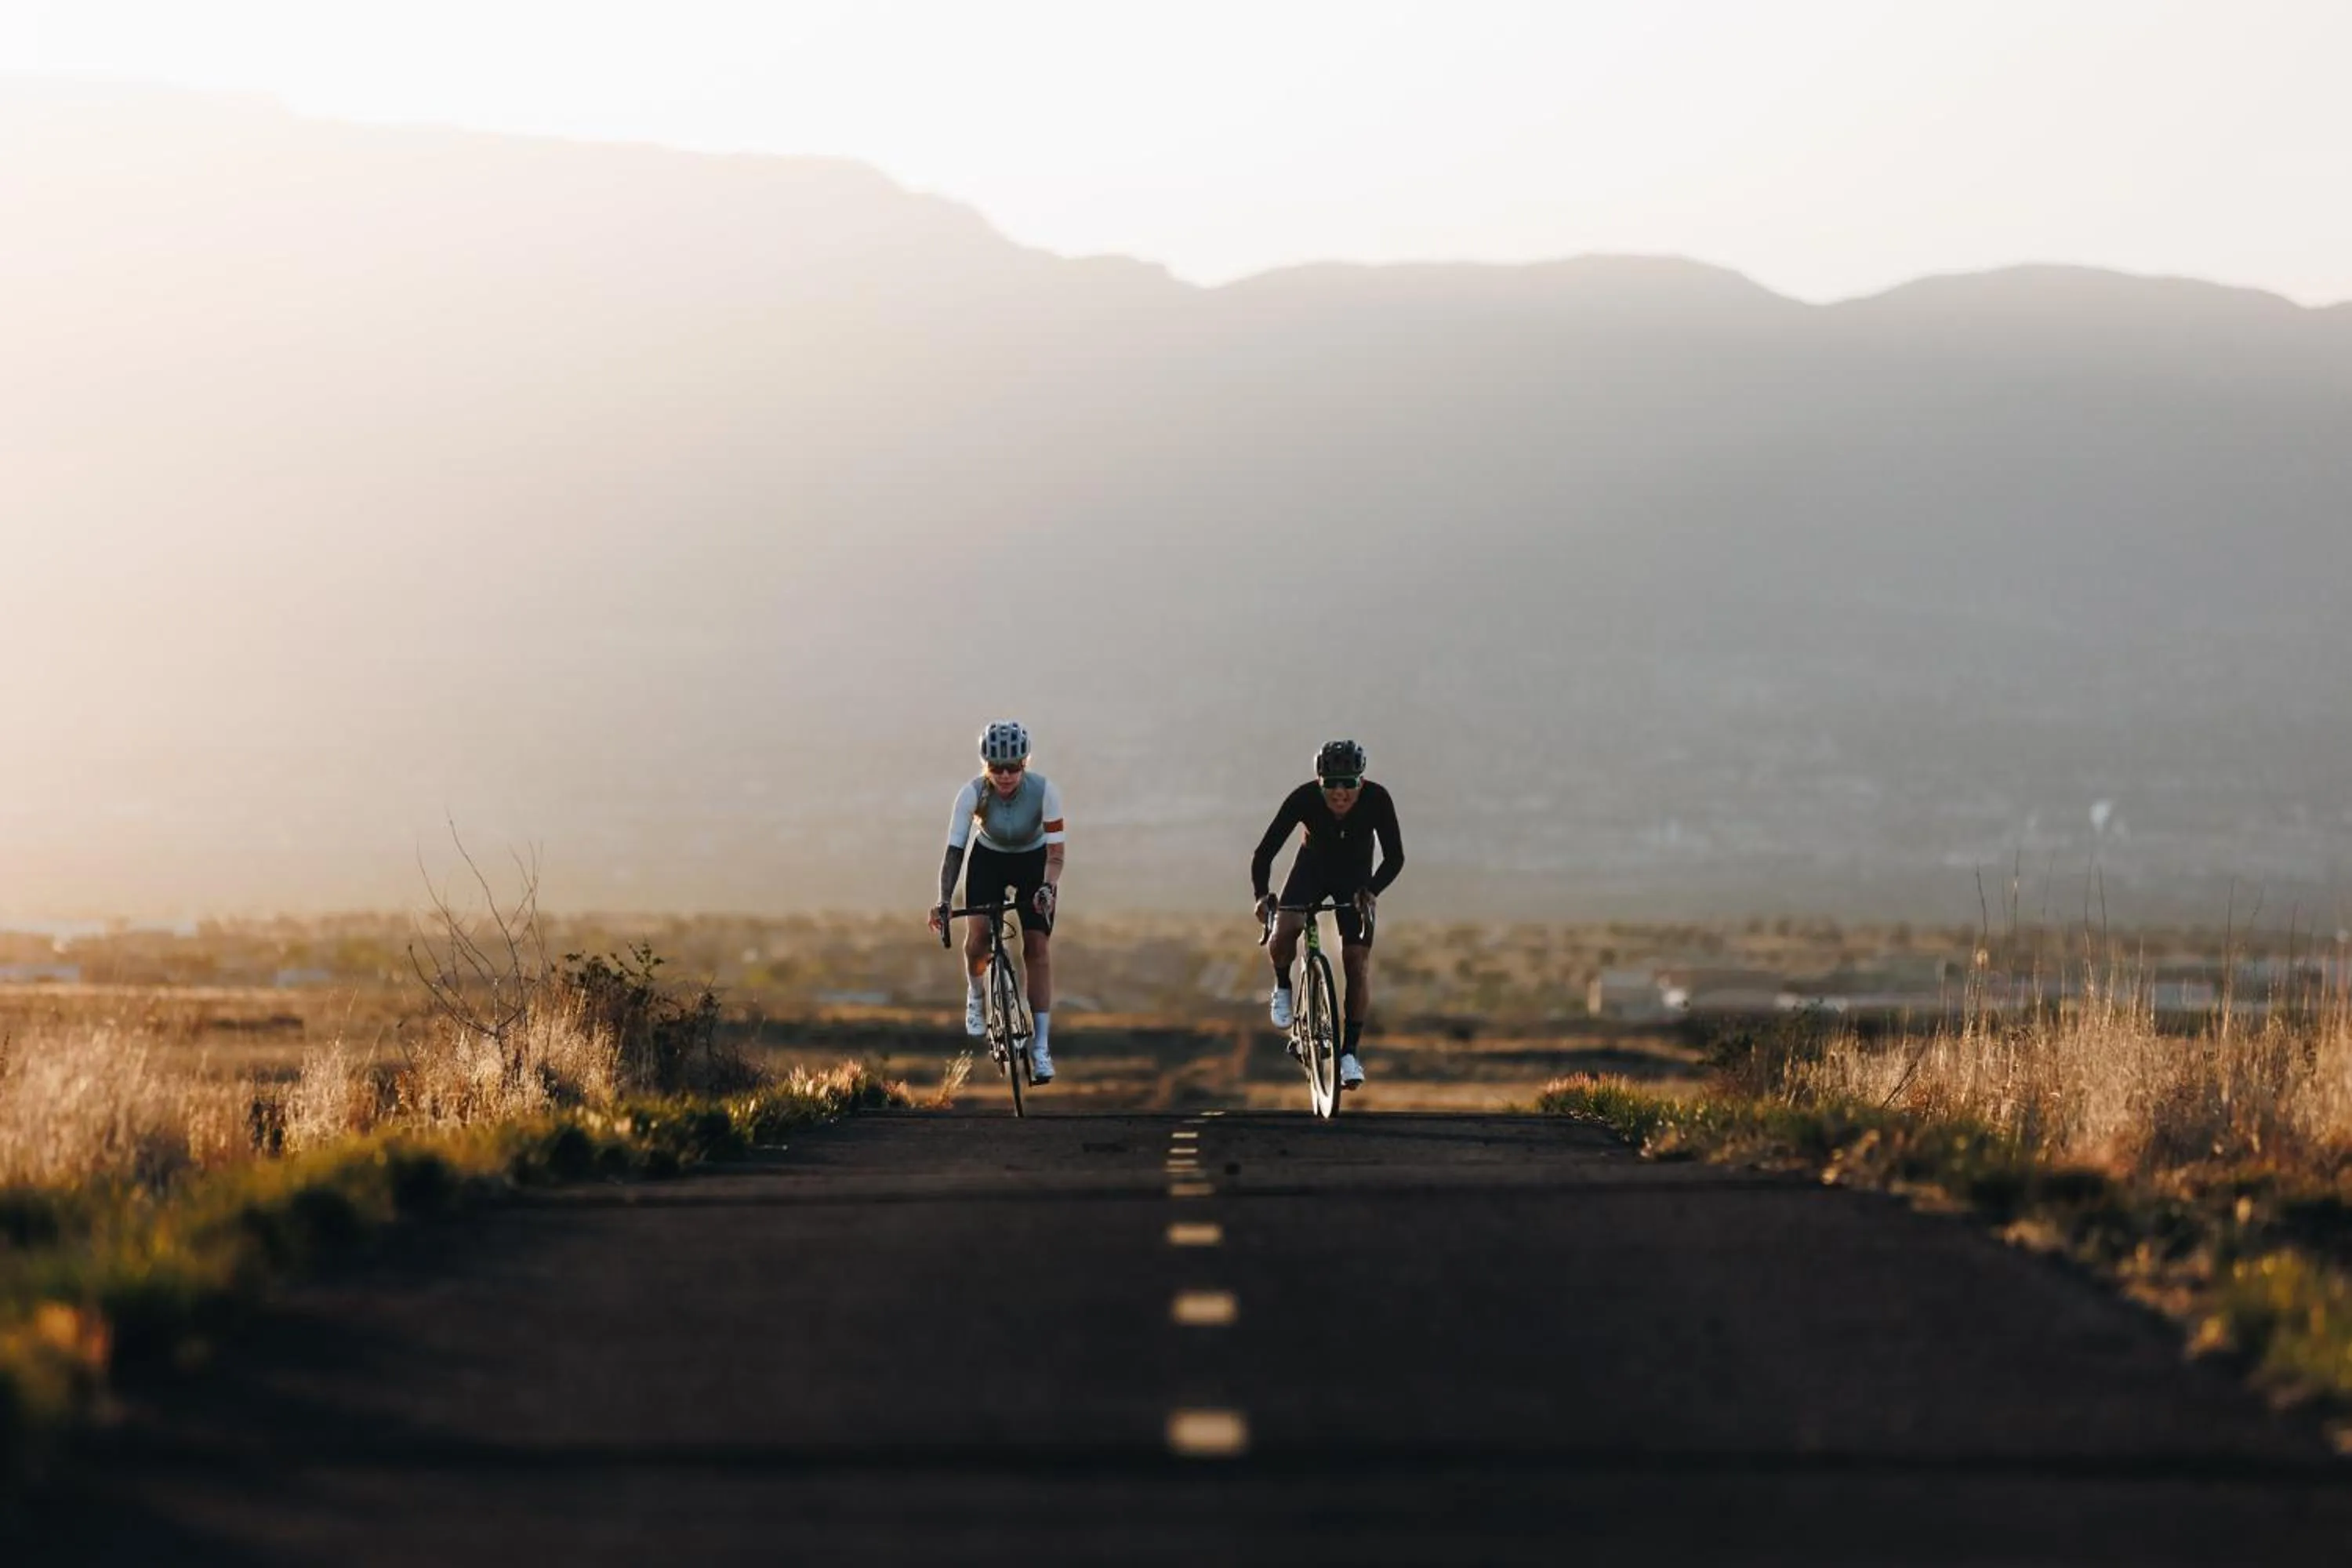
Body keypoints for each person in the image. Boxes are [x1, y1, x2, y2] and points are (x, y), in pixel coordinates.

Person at [1249, 739, 1403, 1090]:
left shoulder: (1378, 799)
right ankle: (1284, 986)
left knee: (1357, 963)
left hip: (1356, 879)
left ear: (1361, 782)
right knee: (1287, 927)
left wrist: (1372, 891)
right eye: (1331, 784)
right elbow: (1264, 853)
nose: (1339, 792)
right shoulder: (1303, 798)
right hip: (1312, 870)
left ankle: (1349, 1054)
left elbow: (1395, 857)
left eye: (1348, 783)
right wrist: (1261, 897)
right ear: (1319, 782)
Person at [927, 720, 1065, 1083]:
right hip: (987, 858)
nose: (1005, 776)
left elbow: (1056, 855)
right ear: (986, 766)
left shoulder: (1045, 792)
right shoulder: (972, 794)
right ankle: (976, 997)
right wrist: (943, 900)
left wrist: (1048, 888)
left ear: (1025, 763)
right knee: (978, 937)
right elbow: (955, 852)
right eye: (996, 768)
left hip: (1034, 861)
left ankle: (1041, 1049)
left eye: (1014, 767)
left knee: (1037, 948)